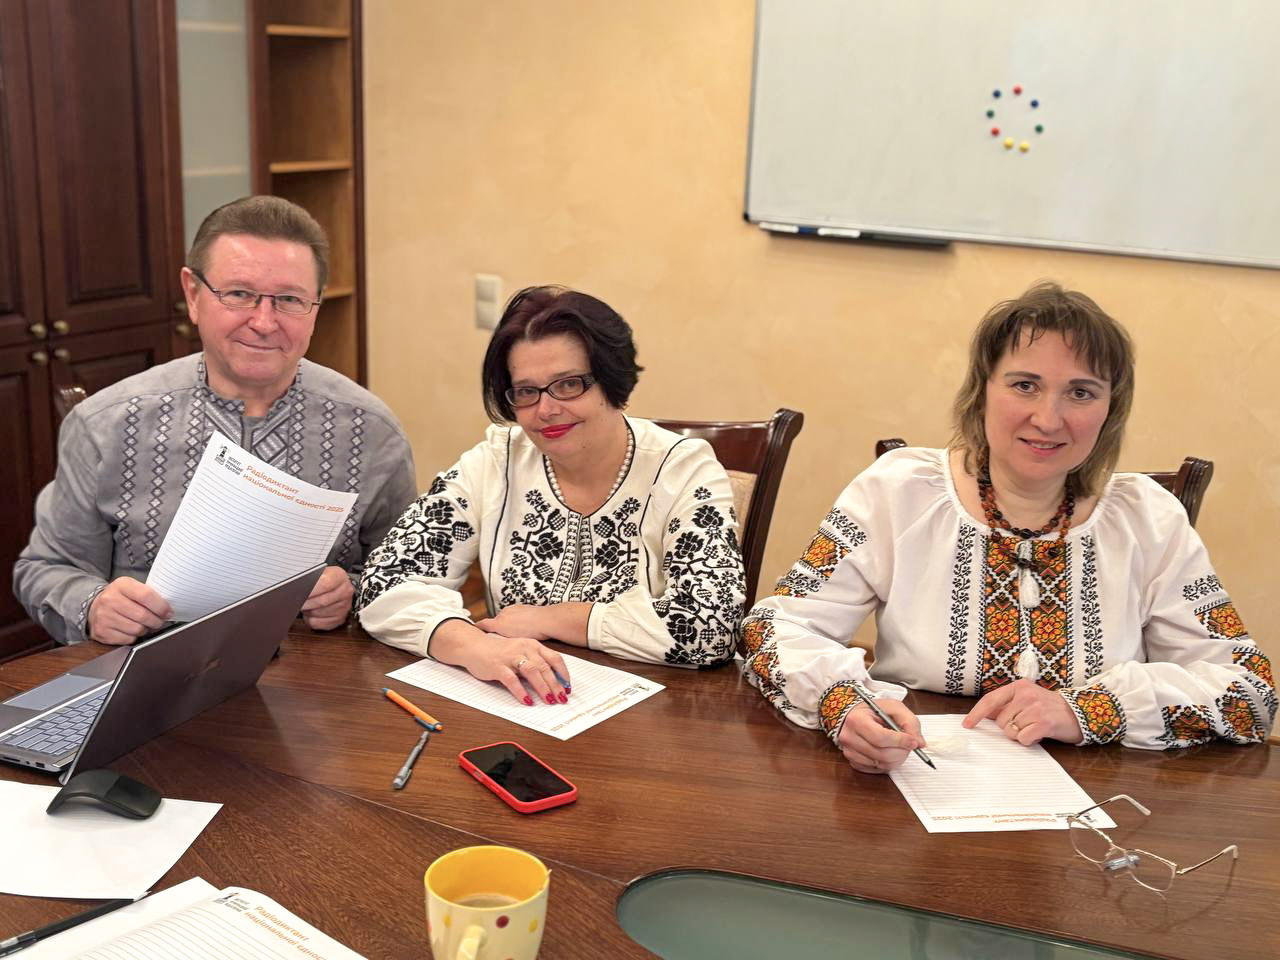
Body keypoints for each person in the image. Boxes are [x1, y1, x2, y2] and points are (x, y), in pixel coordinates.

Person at [741, 281, 1274, 772]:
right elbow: (775, 627)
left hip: (1096, 809)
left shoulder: (1149, 519)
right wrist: (845, 704)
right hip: (913, 780)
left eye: (1081, 393)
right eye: (1025, 385)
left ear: (1110, 411)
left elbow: (1249, 690)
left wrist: (1087, 710)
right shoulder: (898, 492)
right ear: (982, 391)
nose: (1048, 418)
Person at [14, 196, 417, 645]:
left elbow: (411, 573)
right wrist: (92, 605)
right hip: (148, 670)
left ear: (316, 307)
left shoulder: (371, 431)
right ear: (193, 294)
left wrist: (354, 592)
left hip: (317, 675)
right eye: (239, 294)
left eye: (289, 299)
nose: (264, 322)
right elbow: (46, 569)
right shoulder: (105, 425)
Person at [357, 285, 745, 704]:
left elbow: (711, 627)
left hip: (652, 715)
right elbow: (384, 582)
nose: (546, 410)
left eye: (569, 384)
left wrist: (553, 619)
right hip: (517, 707)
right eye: (526, 391)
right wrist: (476, 647)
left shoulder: (682, 469)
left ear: (613, 381)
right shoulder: (495, 462)